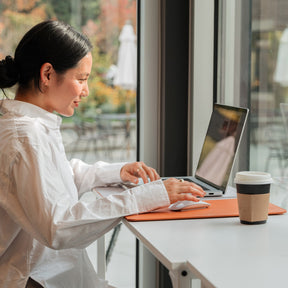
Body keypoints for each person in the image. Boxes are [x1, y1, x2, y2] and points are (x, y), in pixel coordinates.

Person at [0, 20, 204, 288]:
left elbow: (55, 176)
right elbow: (58, 226)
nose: (86, 91)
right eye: (81, 79)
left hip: (51, 273)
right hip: (35, 278)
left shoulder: (31, 126)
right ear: (47, 74)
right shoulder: (26, 137)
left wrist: (116, 172)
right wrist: (147, 196)